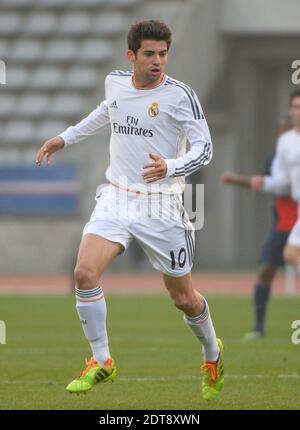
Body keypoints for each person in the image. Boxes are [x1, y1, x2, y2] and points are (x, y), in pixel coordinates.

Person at [35, 20, 224, 401]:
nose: (158, 61)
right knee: (84, 272)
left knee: (183, 298)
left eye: (163, 54)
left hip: (162, 204)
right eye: (150, 54)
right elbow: (107, 111)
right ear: (132, 56)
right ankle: (102, 360)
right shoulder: (115, 83)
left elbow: (205, 149)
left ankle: (212, 354)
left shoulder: (180, 96)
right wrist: (65, 137)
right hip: (117, 195)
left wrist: (169, 167)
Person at [221, 118, 298, 339]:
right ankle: (259, 327)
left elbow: (278, 183)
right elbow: (267, 183)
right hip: (282, 224)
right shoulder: (275, 159)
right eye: (282, 132)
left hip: (297, 221)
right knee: (265, 272)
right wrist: (236, 181)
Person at [251, 89, 300, 277]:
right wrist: (265, 182)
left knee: (291, 253)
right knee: (290, 254)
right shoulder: (285, 142)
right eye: (296, 107)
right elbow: (284, 181)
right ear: (290, 110)